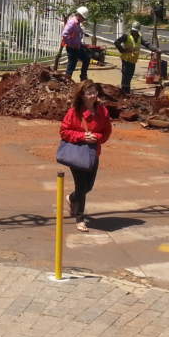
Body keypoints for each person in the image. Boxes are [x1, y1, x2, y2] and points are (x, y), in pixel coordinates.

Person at [59, 81, 112, 232]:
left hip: (93, 152)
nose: (93, 95)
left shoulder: (103, 111)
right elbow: (64, 131)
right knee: (81, 186)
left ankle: (72, 198)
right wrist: (82, 136)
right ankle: (80, 218)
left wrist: (96, 137)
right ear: (82, 95)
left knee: (88, 186)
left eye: (94, 92)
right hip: (77, 153)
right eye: (89, 93)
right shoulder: (74, 112)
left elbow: (107, 131)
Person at [113, 22, 156, 95]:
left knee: (130, 75)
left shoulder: (139, 37)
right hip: (126, 59)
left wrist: (154, 49)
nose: (134, 32)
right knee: (126, 74)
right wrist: (123, 50)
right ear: (131, 30)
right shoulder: (126, 36)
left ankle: (127, 90)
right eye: (133, 31)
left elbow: (146, 44)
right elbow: (116, 42)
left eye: (136, 31)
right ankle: (124, 91)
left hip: (133, 60)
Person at [62, 6, 91, 81]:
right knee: (72, 65)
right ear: (79, 15)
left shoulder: (77, 23)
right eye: (83, 18)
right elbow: (64, 34)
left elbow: (77, 33)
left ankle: (83, 76)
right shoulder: (72, 22)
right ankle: (66, 81)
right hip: (72, 48)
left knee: (86, 58)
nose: (84, 20)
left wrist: (82, 34)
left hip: (77, 47)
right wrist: (71, 43)